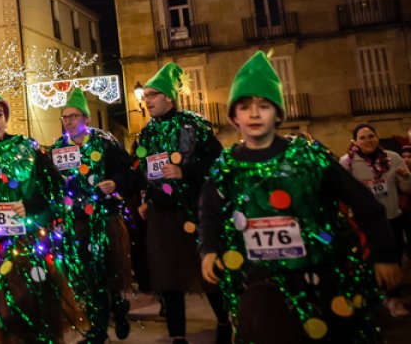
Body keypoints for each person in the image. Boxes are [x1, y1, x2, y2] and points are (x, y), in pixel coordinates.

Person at [200, 52, 402, 343]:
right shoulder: (225, 166)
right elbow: (209, 212)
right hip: (258, 282)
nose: (254, 114)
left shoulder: (309, 158)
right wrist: (208, 248)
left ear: (278, 113)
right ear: (234, 117)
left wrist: (383, 255)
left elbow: (363, 203)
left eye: (263, 105)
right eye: (245, 107)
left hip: (321, 280)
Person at [0, 82, 86, 343]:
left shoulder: (28, 150)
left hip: (30, 245)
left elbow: (53, 194)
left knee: (31, 310)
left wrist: (28, 206)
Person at [133, 62, 232, 344]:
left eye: (153, 95)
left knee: (206, 272)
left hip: (192, 209)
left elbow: (217, 161)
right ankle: (178, 336)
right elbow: (148, 170)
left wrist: (184, 171)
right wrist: (146, 198)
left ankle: (225, 322)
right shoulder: (148, 132)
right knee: (167, 276)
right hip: (160, 213)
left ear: (169, 98)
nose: (147, 100)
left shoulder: (194, 124)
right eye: (146, 95)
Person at [51, 88, 133, 343]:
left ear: (86, 118)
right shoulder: (58, 148)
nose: (69, 121)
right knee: (88, 274)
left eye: (74, 116)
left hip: (104, 218)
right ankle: (100, 324)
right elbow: (52, 183)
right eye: (65, 117)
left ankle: (115, 309)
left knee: (107, 270)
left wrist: (114, 183)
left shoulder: (104, 141)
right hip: (75, 220)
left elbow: (128, 171)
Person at [339, 122, 411, 318]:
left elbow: (407, 189)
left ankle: (393, 299)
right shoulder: (346, 163)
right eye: (362, 138)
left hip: (391, 218)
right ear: (354, 142)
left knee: (392, 261)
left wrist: (406, 178)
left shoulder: (393, 158)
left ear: (377, 137)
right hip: (363, 225)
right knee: (367, 263)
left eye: (371, 136)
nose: (368, 140)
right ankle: (373, 299)